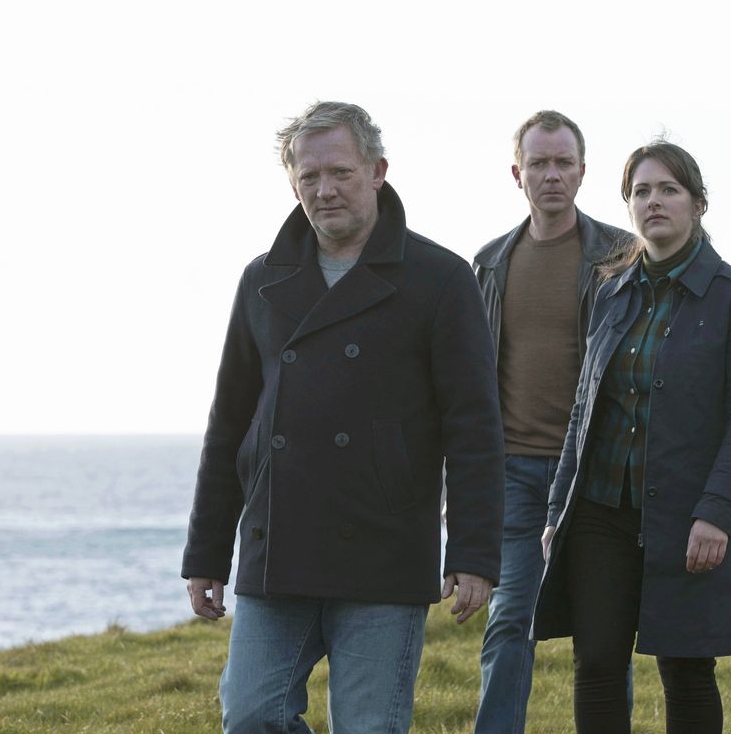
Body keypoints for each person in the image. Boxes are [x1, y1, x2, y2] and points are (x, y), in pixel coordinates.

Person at [182, 101, 505, 733]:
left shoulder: (439, 278)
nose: (324, 190)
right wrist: (206, 553)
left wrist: (473, 551)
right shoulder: (262, 280)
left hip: (383, 548)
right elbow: (230, 424)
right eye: (309, 178)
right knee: (250, 716)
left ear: (378, 171)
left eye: (340, 173)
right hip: (279, 548)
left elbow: (474, 425)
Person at [534, 140, 731, 733]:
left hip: (687, 515)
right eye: (641, 191)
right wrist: (555, 509)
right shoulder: (610, 292)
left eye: (669, 189)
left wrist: (717, 513)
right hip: (599, 513)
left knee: (687, 668)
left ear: (697, 204)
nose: (654, 201)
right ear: (628, 204)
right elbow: (582, 412)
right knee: (595, 663)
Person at [471, 110, 628, 734]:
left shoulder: (621, 256)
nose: (552, 175)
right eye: (540, 163)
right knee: (510, 619)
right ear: (518, 173)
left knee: (604, 629)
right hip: (513, 473)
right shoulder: (487, 264)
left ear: (583, 172)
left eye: (564, 163)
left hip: (593, 473)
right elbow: (468, 381)